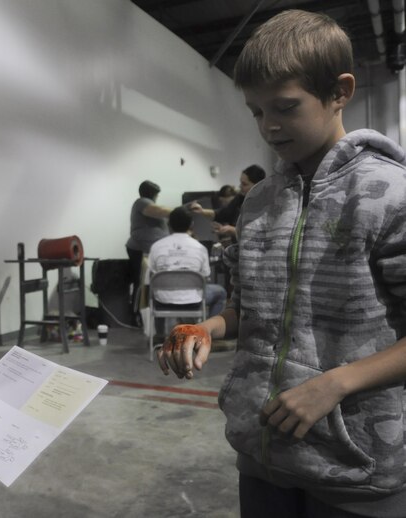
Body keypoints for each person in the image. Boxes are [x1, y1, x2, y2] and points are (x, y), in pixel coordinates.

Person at [158, 10, 406, 518]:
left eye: (286, 107)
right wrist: (207, 327)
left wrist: (336, 382)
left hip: (359, 468)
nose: (269, 126)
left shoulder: (390, 195)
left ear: (340, 91)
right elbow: (249, 309)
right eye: (255, 111)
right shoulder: (259, 201)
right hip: (263, 452)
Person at [125, 180, 201, 315]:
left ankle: (148, 314)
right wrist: (182, 210)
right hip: (141, 250)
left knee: (152, 283)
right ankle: (137, 315)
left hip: (150, 250)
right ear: (152, 194)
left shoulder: (148, 205)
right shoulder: (142, 202)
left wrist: (183, 209)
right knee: (141, 284)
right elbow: (160, 211)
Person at [148, 207, 227, 317]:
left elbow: (151, 275)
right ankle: (207, 330)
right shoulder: (200, 248)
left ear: (168, 224)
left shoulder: (156, 247)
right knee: (220, 292)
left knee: (156, 292)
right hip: (193, 302)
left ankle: (160, 333)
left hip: (163, 301)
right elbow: (205, 277)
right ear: (191, 225)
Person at [200, 165, 265, 244]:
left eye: (244, 184)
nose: (240, 186)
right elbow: (223, 213)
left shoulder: (266, 205)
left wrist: (233, 230)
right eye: (240, 183)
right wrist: (201, 211)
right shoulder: (240, 198)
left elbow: (259, 234)